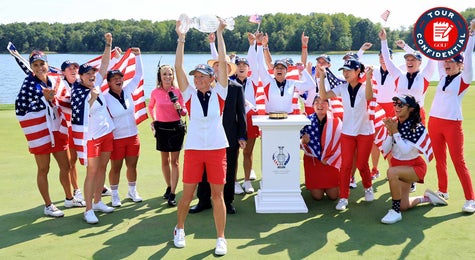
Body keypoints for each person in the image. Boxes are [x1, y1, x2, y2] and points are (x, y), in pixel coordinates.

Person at [173, 19, 229, 255]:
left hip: (217, 149)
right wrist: (181, 38)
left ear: (211, 78)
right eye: (195, 77)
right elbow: (178, 68)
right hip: (195, 150)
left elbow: (224, 64)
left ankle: (221, 238)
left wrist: (219, 33)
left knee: (217, 195)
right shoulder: (188, 95)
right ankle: (179, 228)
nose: (197, 79)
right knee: (187, 194)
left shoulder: (221, 92)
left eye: (202, 76)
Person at [15, 50, 81, 217]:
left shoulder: (55, 80)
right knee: (44, 169)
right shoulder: (28, 84)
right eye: (35, 65)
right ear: (31, 67)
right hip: (41, 133)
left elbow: (64, 98)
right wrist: (42, 100)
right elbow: (21, 109)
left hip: (57, 129)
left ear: (47, 64)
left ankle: (69, 198)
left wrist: (53, 98)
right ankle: (48, 205)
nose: (39, 68)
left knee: (65, 166)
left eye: (42, 64)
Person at [189, 40, 247, 215]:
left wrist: (242, 136)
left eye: (220, 67)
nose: (217, 69)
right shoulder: (205, 90)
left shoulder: (236, 88)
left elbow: (241, 113)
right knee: (204, 171)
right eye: (214, 67)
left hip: (229, 136)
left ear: (228, 70)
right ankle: (204, 200)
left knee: (228, 171)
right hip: (206, 138)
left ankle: (227, 202)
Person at [428, 20, 475, 213]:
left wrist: (471, 35)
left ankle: (471, 199)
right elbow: (437, 54)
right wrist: (435, 38)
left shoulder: (464, 79)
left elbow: (469, 55)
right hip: (434, 122)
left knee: (458, 161)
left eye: (451, 62)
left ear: (460, 65)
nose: (447, 64)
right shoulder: (442, 76)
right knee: (440, 159)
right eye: (446, 61)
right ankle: (443, 190)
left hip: (452, 124)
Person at [380, 95, 447, 224]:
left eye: (401, 105)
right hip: (399, 166)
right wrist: (390, 133)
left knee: (391, 172)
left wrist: (395, 132)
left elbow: (405, 150)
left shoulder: (417, 127)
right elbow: (385, 148)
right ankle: (427, 198)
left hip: (414, 167)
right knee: (404, 205)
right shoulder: (394, 122)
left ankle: (395, 212)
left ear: (410, 109)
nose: (396, 107)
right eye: (395, 104)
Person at [318, 59, 375, 211]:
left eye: (349, 70)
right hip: (348, 132)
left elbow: (369, 97)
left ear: (357, 72)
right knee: (346, 166)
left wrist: (368, 78)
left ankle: (368, 187)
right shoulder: (342, 87)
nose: (345, 73)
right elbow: (323, 95)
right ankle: (344, 197)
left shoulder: (364, 87)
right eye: (344, 70)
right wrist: (321, 78)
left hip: (365, 131)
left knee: (362, 164)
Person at [71, 33, 115, 224]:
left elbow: (104, 66)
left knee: (103, 168)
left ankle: (97, 202)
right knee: (92, 172)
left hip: (106, 133)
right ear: (80, 76)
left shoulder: (95, 84)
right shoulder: (78, 90)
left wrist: (108, 45)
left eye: (93, 74)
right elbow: (81, 111)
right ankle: (88, 209)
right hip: (91, 138)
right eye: (87, 74)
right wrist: (94, 96)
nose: (92, 76)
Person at [104, 47, 144, 207]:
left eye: (120, 77)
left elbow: (139, 75)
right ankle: (114, 195)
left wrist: (138, 56)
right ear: (108, 82)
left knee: (132, 165)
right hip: (116, 138)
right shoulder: (104, 97)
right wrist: (111, 56)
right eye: (114, 78)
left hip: (133, 135)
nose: (118, 80)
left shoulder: (127, 91)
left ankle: (132, 191)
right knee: (116, 167)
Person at [148, 63, 187, 207]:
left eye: (170, 74)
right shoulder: (155, 92)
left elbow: (184, 111)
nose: (167, 77)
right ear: (160, 76)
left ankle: (172, 193)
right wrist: (154, 120)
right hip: (162, 128)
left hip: (176, 127)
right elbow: (151, 106)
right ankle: (169, 186)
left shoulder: (177, 91)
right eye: (164, 74)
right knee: (164, 161)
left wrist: (180, 109)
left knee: (174, 162)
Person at [300, 96, 342, 200]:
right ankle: (315, 185)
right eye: (317, 102)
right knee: (317, 196)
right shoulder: (305, 121)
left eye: (324, 102)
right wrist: (303, 141)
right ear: (313, 105)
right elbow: (295, 143)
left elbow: (341, 145)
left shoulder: (336, 122)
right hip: (313, 162)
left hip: (330, 162)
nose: (320, 105)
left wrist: (329, 158)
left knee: (333, 196)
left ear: (328, 105)